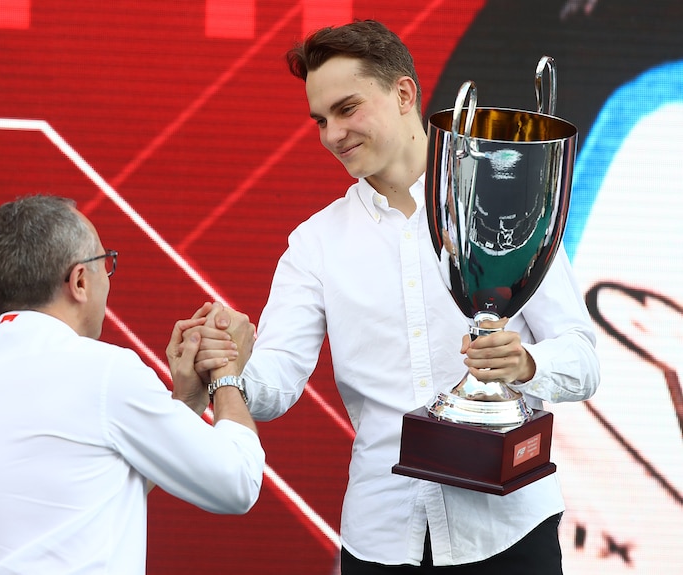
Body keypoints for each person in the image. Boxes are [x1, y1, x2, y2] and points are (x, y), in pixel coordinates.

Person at [194, 20, 600, 574]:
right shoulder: (315, 243)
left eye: (347, 108)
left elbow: (583, 359)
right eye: (320, 120)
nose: (332, 134)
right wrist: (226, 365)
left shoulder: (506, 204)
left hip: (509, 533)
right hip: (380, 541)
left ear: (404, 93)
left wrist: (527, 362)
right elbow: (274, 387)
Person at [0, 195, 264, 575]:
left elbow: (92, 487)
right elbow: (238, 481)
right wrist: (227, 372)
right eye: (106, 262)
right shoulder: (105, 372)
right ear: (80, 280)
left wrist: (183, 403)